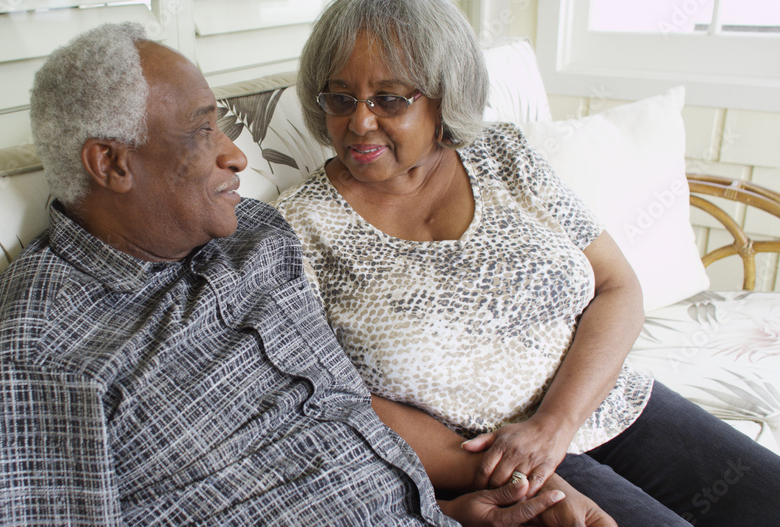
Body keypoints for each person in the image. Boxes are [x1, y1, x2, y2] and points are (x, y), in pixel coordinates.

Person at [0, 21, 612, 526]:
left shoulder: (254, 236)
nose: (236, 156)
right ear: (111, 164)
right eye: (203, 132)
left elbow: (343, 422)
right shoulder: (30, 356)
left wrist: (462, 508)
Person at [274, 0, 780, 525]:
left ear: (444, 98)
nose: (359, 120)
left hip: (611, 402)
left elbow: (617, 286)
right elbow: (330, 395)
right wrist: (508, 469)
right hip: (486, 460)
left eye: (389, 99)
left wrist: (554, 425)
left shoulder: (504, 155)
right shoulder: (293, 229)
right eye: (340, 97)